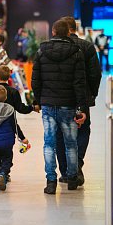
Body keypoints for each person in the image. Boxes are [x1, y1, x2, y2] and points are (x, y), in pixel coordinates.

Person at [32, 19, 87, 194]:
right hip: (68, 105)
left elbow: (36, 80)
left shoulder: (41, 51)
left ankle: (51, 182)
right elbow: (79, 83)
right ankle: (72, 178)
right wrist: (81, 109)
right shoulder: (76, 52)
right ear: (68, 33)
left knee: (49, 144)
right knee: (71, 143)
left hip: (48, 105)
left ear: (54, 32)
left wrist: (37, 100)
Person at [56, 17, 102, 186]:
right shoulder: (87, 46)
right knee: (82, 131)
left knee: (60, 133)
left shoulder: (54, 47)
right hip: (81, 97)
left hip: (60, 98)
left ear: (65, 30)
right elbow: (95, 74)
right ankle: (76, 166)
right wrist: (91, 95)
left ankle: (67, 171)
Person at [0, 65, 39, 149]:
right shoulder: (13, 92)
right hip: (8, 134)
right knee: (7, 159)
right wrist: (33, 108)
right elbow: (21, 109)